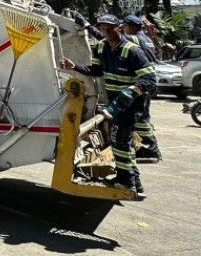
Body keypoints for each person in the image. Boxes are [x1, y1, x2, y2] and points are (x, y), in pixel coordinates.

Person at [58, 14, 156, 196]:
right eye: (102, 28)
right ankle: (133, 181)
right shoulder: (102, 47)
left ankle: (126, 182)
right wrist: (74, 67)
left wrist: (131, 91)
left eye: (109, 28)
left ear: (119, 27)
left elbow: (150, 79)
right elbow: (96, 71)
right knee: (121, 141)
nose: (106, 31)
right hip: (115, 101)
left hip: (130, 104)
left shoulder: (131, 50)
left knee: (121, 140)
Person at [122, 15, 162, 161]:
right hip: (150, 80)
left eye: (124, 26)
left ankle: (151, 149)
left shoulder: (134, 39)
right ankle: (147, 148)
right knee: (143, 116)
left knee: (140, 117)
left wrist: (89, 27)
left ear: (131, 27)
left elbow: (111, 40)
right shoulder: (146, 39)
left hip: (143, 80)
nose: (123, 29)